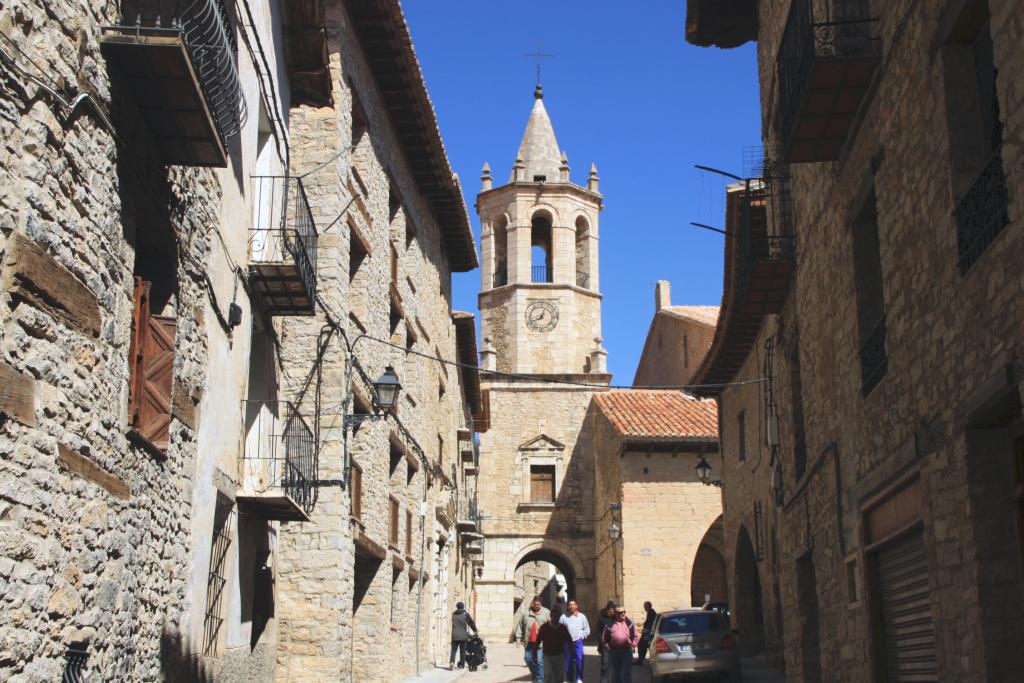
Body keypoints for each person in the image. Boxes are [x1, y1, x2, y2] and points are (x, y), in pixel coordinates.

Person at [601, 605, 639, 683]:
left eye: (624, 612)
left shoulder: (629, 624)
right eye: (620, 612)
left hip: (627, 652)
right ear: (615, 613)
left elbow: (636, 636)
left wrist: (632, 646)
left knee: (625, 673)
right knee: (616, 673)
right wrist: (608, 648)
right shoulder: (610, 624)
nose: (623, 614)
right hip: (614, 651)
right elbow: (604, 638)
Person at [516, 597, 551, 683]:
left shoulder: (546, 612)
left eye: (539, 604)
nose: (537, 606)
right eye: (535, 604)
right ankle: (535, 673)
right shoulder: (526, 613)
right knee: (528, 659)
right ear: (532, 603)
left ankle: (540, 679)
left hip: (541, 642)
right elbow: (520, 626)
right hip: (529, 641)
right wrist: (518, 638)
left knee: (539, 660)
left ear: (541, 604)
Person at [534, 606, 572, 683]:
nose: (555, 619)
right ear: (551, 616)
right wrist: (534, 652)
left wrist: (572, 650)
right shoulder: (544, 627)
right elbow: (538, 641)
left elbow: (569, 640)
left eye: (557, 617)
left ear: (559, 617)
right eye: (554, 617)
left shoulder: (563, 628)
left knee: (559, 677)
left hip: (559, 656)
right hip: (547, 656)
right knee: (548, 675)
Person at [559, 600, 589, 683]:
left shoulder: (582, 616)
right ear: (567, 606)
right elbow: (559, 629)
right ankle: (569, 678)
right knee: (568, 661)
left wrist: (581, 636)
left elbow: (587, 629)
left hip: (578, 641)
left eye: (573, 605)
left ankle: (579, 678)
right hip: (567, 643)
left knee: (579, 659)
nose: (571, 606)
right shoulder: (563, 617)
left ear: (576, 606)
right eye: (570, 605)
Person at [449, 601, 478, 670]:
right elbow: (471, 623)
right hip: (463, 636)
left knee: (453, 651)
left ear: (457, 607)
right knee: (462, 651)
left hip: (454, 636)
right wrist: (475, 630)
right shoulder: (465, 614)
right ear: (463, 607)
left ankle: (452, 662)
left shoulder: (453, 614)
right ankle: (461, 664)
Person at [596, 601, 617, 683]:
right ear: (607, 610)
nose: (612, 613)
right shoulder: (602, 619)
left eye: (613, 611)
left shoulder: (616, 619)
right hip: (605, 646)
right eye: (610, 611)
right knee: (605, 666)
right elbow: (598, 632)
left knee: (615, 667)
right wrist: (602, 642)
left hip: (615, 646)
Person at [635, 601, 657, 666]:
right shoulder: (650, 613)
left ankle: (640, 660)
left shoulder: (651, 613)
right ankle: (640, 660)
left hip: (648, 634)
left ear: (647, 606)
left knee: (643, 646)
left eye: (645, 606)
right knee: (642, 646)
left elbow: (649, 625)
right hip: (647, 633)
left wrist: (645, 632)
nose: (644, 608)